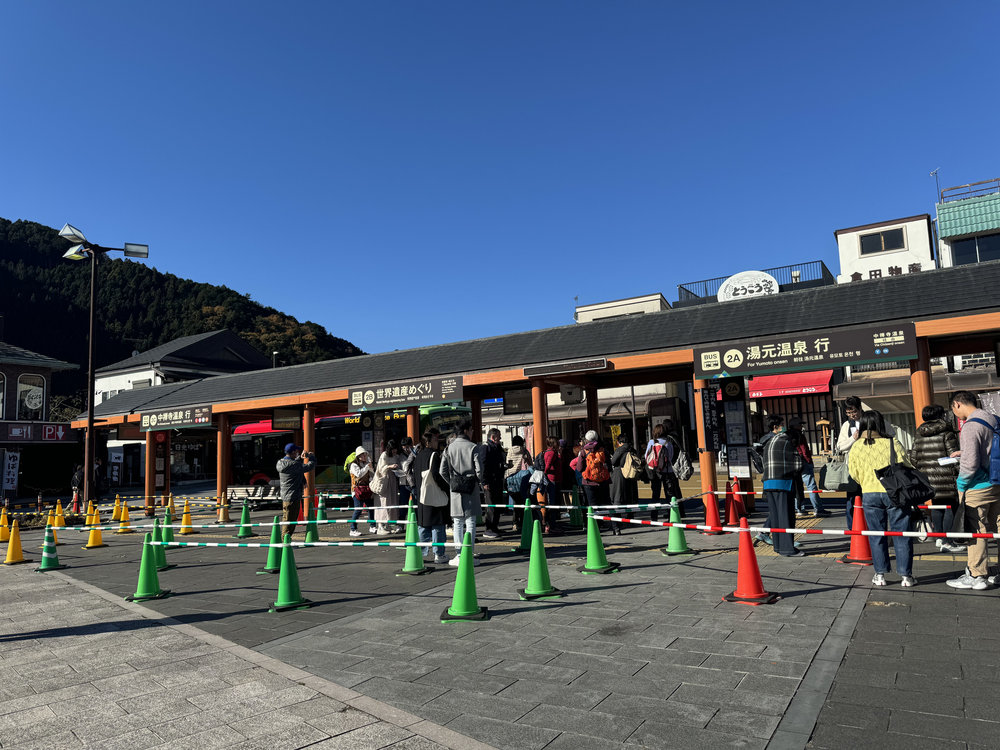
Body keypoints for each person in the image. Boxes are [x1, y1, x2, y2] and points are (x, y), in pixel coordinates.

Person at [847, 410, 917, 586]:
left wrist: (865, 481)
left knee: (876, 535)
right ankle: (906, 576)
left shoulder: (856, 446)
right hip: (894, 493)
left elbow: (853, 472)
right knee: (902, 534)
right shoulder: (892, 442)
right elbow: (907, 465)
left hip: (869, 494)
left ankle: (880, 575)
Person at [946, 391, 1000, 590]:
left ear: (957, 404)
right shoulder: (992, 419)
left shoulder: (969, 426)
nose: (955, 413)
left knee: (977, 530)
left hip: (977, 486)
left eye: (953, 409)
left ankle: (977, 575)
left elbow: (970, 464)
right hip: (997, 481)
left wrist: (961, 484)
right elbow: (988, 448)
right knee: (999, 527)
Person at [908, 404, 963, 554]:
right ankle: (947, 540)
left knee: (937, 507)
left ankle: (939, 537)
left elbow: (913, 458)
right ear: (940, 415)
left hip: (928, 479)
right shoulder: (947, 433)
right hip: (946, 477)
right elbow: (954, 456)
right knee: (951, 507)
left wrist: (924, 469)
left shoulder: (919, 434)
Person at [440, 420, 484, 566]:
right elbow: (479, 470)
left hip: (455, 488)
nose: (472, 432)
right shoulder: (473, 447)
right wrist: (478, 482)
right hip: (471, 487)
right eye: (471, 430)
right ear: (465, 431)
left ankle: (459, 554)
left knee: (457, 522)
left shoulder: (449, 448)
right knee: (470, 521)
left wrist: (452, 482)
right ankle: (469, 553)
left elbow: (442, 471)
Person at [761, 416, 804, 557]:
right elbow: (798, 465)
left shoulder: (768, 442)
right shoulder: (787, 442)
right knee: (786, 516)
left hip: (768, 483)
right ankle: (787, 549)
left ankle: (778, 546)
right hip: (783, 483)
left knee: (776, 517)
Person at [411, 428, 449, 563]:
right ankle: (439, 554)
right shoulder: (434, 455)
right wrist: (445, 488)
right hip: (434, 494)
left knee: (423, 526)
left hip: (422, 494)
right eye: (435, 439)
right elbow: (436, 475)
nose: (437, 442)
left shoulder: (419, 455)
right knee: (438, 525)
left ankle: (421, 553)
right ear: (428, 442)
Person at [788, 418, 828, 517]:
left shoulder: (787, 436)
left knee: (797, 487)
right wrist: (809, 461)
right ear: (795, 426)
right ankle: (818, 508)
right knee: (811, 486)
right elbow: (804, 450)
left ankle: (800, 509)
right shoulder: (799, 435)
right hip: (803, 462)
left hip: (793, 464)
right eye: (800, 424)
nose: (801, 426)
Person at [276, 443, 316, 537]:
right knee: (290, 521)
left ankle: (286, 539)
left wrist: (300, 458)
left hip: (286, 496)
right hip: (293, 496)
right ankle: (286, 541)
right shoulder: (293, 465)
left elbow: (295, 466)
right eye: (296, 451)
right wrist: (312, 457)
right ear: (293, 452)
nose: (297, 453)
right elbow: (309, 466)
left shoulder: (281, 463)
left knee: (287, 519)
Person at [837, 396, 864, 528]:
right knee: (852, 500)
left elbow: (890, 433)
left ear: (860, 408)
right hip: (852, 469)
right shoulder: (847, 425)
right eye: (848, 413)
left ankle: (870, 528)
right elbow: (840, 447)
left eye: (853, 412)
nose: (852, 415)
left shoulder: (870, 420)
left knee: (870, 501)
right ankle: (853, 529)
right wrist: (853, 439)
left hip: (869, 469)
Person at [577, 430, 611, 530]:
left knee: (590, 504)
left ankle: (591, 525)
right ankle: (601, 523)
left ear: (586, 440)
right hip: (602, 481)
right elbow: (609, 465)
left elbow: (579, 468)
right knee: (601, 503)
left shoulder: (584, 451)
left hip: (588, 482)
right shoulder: (603, 450)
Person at [609, 434, 638, 535]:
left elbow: (613, 462)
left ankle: (616, 526)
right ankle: (630, 518)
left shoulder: (620, 450)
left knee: (617, 500)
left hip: (619, 475)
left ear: (620, 442)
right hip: (630, 476)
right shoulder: (632, 449)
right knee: (628, 498)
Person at [480, 428, 506, 539]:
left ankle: (494, 526)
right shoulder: (486, 447)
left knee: (497, 504)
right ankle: (489, 528)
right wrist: (484, 481)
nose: (500, 438)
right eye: (498, 436)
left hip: (498, 480)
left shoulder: (497, 447)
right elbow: (483, 465)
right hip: (490, 481)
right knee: (490, 505)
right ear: (493, 437)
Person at [644, 424, 672, 523]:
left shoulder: (651, 442)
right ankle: (671, 516)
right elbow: (671, 457)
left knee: (655, 495)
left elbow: (646, 456)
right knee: (668, 495)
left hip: (655, 472)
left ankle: (654, 517)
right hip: (667, 471)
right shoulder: (668, 442)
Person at [373, 440, 402, 535]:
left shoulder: (395, 456)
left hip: (392, 480)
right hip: (384, 481)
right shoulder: (384, 455)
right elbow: (381, 469)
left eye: (396, 449)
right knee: (383, 502)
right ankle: (380, 525)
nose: (395, 451)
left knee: (391, 502)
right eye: (393, 449)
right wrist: (389, 466)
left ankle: (387, 524)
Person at [505, 435, 532, 532]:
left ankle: (515, 523)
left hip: (509, 477)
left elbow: (507, 463)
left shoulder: (510, 451)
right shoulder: (524, 450)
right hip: (521, 478)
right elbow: (530, 463)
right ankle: (522, 522)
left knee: (516, 501)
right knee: (522, 501)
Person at [348, 447, 375, 536]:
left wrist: (370, 467)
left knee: (371, 508)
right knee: (358, 509)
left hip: (366, 489)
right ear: (358, 456)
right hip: (357, 490)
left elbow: (371, 475)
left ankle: (372, 526)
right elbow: (359, 474)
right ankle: (353, 529)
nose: (365, 456)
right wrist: (367, 467)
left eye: (365, 454)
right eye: (363, 454)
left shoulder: (365, 464)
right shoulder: (353, 465)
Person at [540, 436, 563, 534]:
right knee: (552, 504)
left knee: (552, 503)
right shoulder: (552, 453)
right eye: (557, 442)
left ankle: (549, 524)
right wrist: (547, 473)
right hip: (552, 480)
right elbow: (548, 466)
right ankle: (550, 525)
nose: (558, 444)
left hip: (551, 480)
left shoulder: (548, 452)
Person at [397, 436, 417, 510]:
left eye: (407, 447)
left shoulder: (416, 452)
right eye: (404, 448)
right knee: (403, 505)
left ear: (411, 445)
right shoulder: (401, 456)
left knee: (416, 503)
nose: (405, 449)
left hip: (414, 482)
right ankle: (402, 520)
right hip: (404, 483)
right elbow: (399, 468)